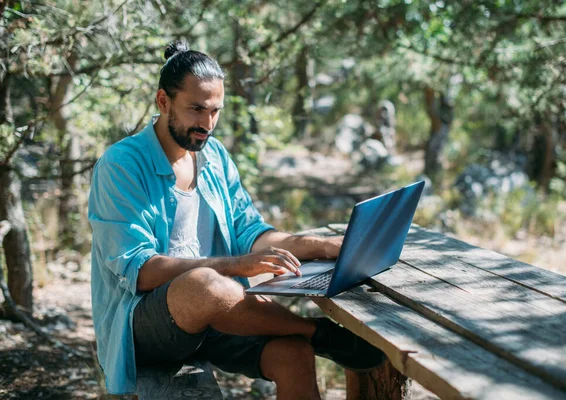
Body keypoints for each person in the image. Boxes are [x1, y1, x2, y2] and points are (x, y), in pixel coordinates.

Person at [88, 40, 384, 399]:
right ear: (163, 101)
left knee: (293, 354)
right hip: (144, 328)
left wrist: (320, 246)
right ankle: (318, 332)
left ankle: (311, 339)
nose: (207, 124)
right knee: (207, 285)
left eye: (215, 111)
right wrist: (236, 265)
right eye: (196, 109)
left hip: (216, 317)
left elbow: (250, 232)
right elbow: (141, 271)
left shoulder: (212, 155)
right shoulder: (122, 165)